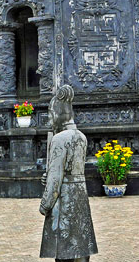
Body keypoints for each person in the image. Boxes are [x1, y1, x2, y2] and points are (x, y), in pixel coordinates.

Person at [39, 85, 97, 262]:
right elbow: (72, 170)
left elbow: (56, 179)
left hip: (63, 200)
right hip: (79, 196)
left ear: (57, 114)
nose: (50, 119)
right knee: (80, 243)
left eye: (50, 114)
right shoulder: (81, 136)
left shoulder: (59, 139)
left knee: (63, 249)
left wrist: (45, 204)